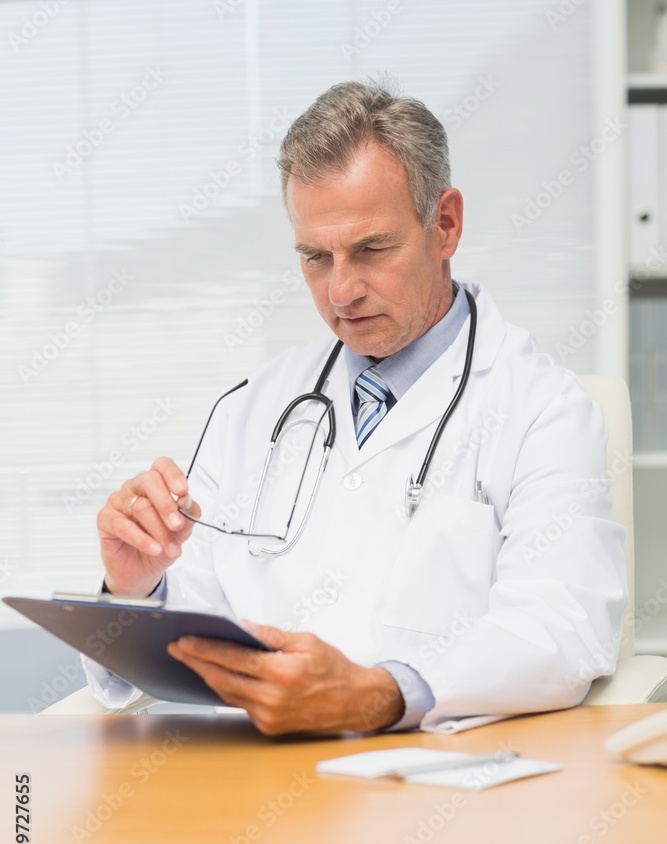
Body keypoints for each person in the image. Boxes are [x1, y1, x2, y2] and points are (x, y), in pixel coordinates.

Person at [86, 80, 627, 734]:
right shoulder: (253, 408)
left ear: (445, 224)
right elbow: (203, 625)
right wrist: (139, 590)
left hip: (435, 785)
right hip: (260, 790)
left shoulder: (543, 409)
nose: (340, 290)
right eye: (315, 257)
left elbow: (562, 626)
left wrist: (377, 694)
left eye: (371, 249)